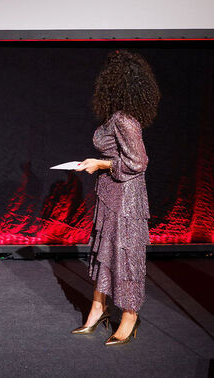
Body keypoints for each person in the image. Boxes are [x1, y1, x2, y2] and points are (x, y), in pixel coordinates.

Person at [73, 50, 160, 346]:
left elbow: (139, 162)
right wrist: (99, 164)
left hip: (126, 198)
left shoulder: (124, 120)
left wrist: (101, 163)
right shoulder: (115, 117)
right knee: (106, 250)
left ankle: (130, 315)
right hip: (110, 192)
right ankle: (98, 307)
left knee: (125, 254)